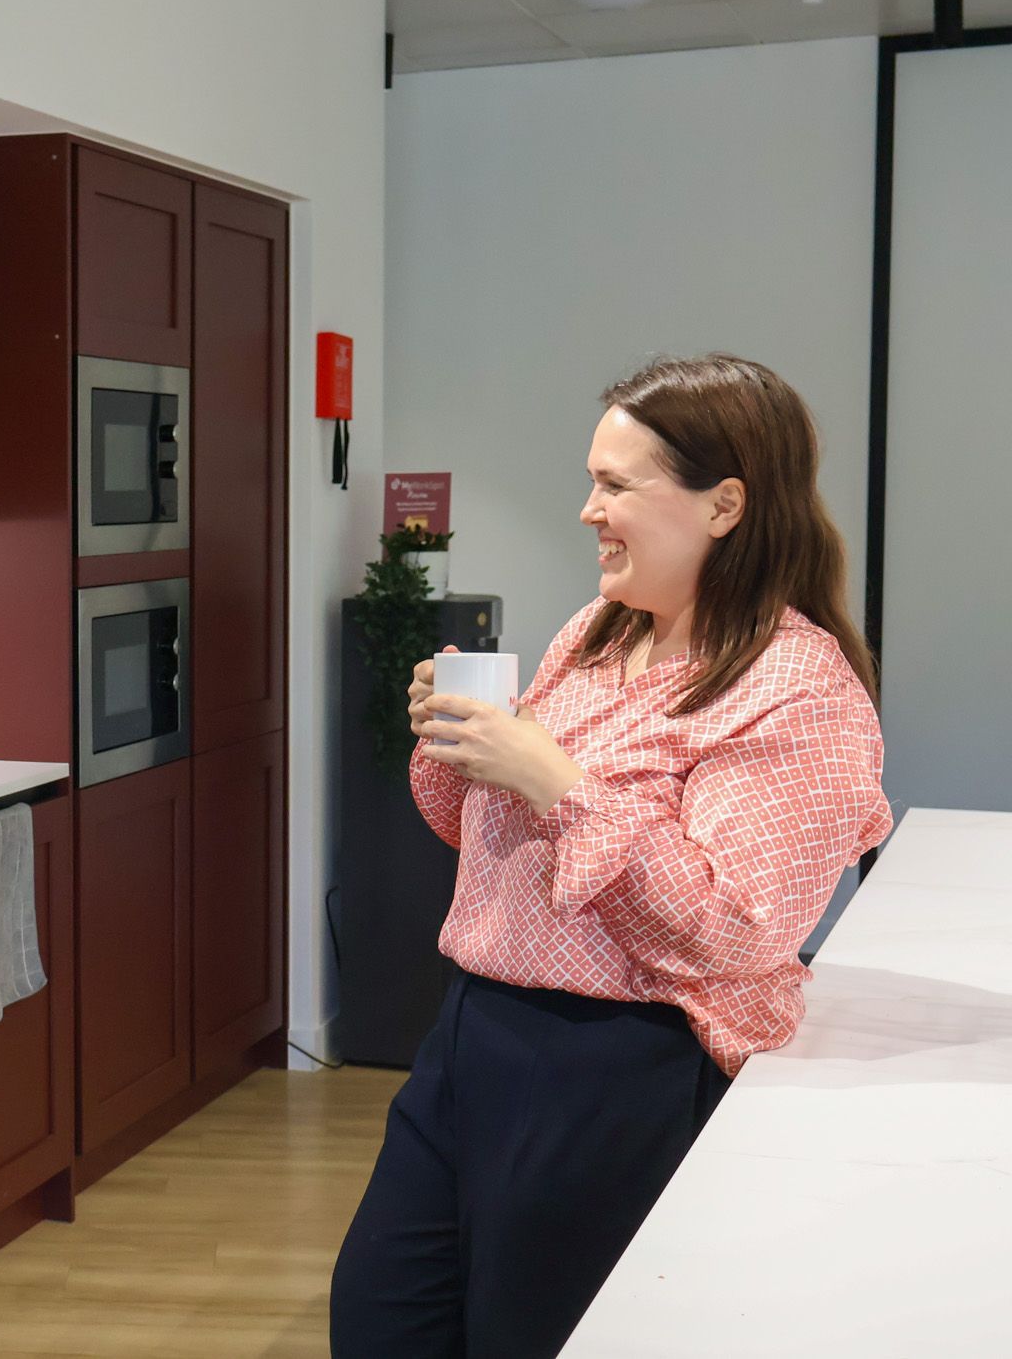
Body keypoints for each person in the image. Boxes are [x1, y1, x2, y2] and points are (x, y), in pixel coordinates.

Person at [328, 354, 892, 1358]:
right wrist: (462, 743)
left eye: (614, 485)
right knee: (381, 1319)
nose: (587, 510)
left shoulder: (798, 692)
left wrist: (553, 781)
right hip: (472, 1032)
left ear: (722, 506)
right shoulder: (595, 633)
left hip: (618, 1069)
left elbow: (733, 934)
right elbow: (482, 837)